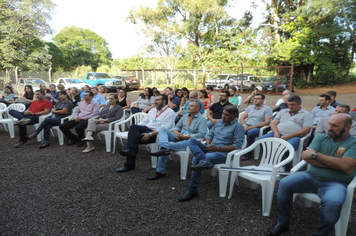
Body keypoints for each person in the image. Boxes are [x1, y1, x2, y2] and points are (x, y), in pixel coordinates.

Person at [266, 114, 356, 236]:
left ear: (347, 127)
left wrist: (317, 155)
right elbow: (306, 158)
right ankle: (282, 223)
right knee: (284, 183)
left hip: (336, 183)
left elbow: (345, 165)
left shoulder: (353, 143)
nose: (330, 128)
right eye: (329, 124)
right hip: (310, 176)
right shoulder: (321, 138)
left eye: (335, 126)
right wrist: (339, 165)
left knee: (333, 203)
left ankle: (320, 233)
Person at [178, 105, 244, 202]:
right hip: (210, 147)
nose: (223, 116)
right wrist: (208, 144)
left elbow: (238, 145)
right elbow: (210, 135)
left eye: (227, 115)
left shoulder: (238, 127)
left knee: (196, 160)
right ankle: (204, 160)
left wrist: (218, 148)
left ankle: (192, 190)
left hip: (223, 153)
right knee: (191, 140)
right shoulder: (219, 122)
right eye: (223, 113)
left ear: (234, 116)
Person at [147, 100, 208, 180]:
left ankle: (160, 171)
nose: (188, 107)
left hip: (189, 141)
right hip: (178, 137)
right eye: (188, 105)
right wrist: (177, 133)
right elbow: (176, 127)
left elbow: (201, 134)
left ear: (198, 108)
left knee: (165, 147)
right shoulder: (185, 116)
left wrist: (184, 137)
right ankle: (164, 148)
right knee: (162, 129)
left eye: (191, 106)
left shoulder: (202, 119)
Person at [115, 94, 176, 173]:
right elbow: (144, 122)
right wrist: (137, 130)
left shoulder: (170, 112)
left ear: (164, 101)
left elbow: (164, 129)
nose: (155, 102)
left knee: (133, 139)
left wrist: (150, 134)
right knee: (133, 127)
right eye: (155, 100)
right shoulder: (153, 110)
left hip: (156, 133)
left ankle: (129, 163)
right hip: (146, 128)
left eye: (157, 100)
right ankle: (129, 151)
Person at [239, 93, 273, 160]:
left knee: (251, 133)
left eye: (258, 99)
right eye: (255, 98)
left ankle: (248, 153)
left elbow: (267, 122)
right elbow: (242, 118)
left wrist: (252, 127)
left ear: (263, 100)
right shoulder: (250, 107)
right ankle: (234, 150)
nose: (255, 100)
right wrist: (244, 125)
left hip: (259, 128)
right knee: (235, 130)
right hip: (247, 125)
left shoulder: (267, 109)